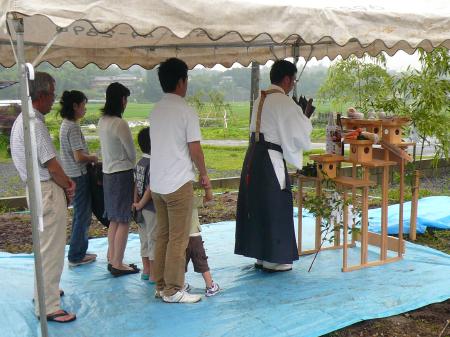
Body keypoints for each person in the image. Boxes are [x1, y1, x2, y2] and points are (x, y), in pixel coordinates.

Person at [10, 72, 77, 323]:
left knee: (43, 246)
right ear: (41, 95)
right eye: (52, 95)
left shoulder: (22, 120)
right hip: (46, 190)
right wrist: (69, 185)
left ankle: (44, 291)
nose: (54, 101)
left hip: (36, 190)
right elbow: (52, 166)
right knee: (52, 248)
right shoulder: (35, 123)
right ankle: (48, 305)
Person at [235, 60, 312, 272]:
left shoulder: (261, 97)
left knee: (257, 203)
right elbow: (299, 135)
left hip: (253, 156)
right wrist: (305, 117)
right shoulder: (282, 102)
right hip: (269, 158)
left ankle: (261, 254)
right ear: (287, 79)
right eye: (293, 80)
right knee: (275, 204)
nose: (293, 85)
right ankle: (274, 258)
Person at [150, 57, 211, 303]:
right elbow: (195, 149)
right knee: (178, 238)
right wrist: (204, 174)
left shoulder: (156, 110)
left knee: (163, 236)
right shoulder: (186, 110)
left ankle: (161, 284)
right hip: (177, 183)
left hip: (158, 184)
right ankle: (173, 289)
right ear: (181, 82)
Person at [97, 82, 139, 277]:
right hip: (122, 174)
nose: (126, 103)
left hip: (107, 174)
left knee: (114, 218)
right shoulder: (119, 123)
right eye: (125, 99)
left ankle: (112, 257)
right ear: (121, 100)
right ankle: (118, 263)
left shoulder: (102, 121)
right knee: (123, 220)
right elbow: (131, 153)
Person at [59, 90, 98, 267]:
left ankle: (78, 250)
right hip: (79, 175)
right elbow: (79, 157)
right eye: (83, 105)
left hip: (71, 174)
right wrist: (93, 157)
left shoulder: (65, 124)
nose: (85, 109)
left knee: (78, 214)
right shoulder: (73, 127)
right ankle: (76, 256)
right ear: (75, 106)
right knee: (82, 215)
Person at [132, 127, 157, 282]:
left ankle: (146, 270)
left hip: (139, 209)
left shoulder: (139, 162)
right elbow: (151, 187)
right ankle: (155, 275)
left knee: (144, 240)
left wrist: (135, 202)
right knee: (153, 239)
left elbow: (136, 183)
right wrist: (141, 203)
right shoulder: (153, 163)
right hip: (151, 208)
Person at [185, 188, 220, 297]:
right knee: (202, 263)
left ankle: (180, 285)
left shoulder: (173, 202)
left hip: (180, 238)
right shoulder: (191, 200)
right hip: (195, 237)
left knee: (180, 264)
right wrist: (207, 186)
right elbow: (209, 197)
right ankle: (210, 286)